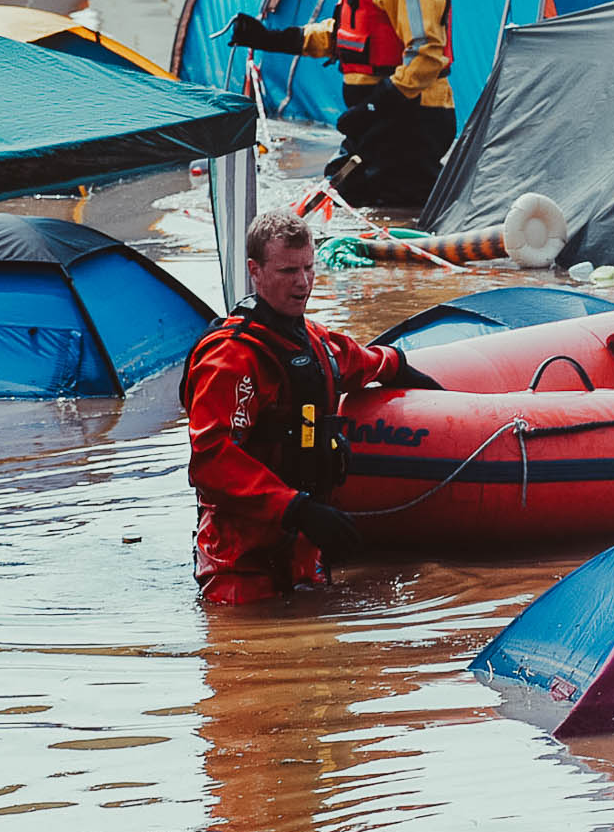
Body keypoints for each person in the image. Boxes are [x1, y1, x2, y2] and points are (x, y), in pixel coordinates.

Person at [181, 210, 439, 604]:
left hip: (305, 557)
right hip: (239, 566)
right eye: (287, 271)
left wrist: (438, 390)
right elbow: (212, 459)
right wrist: (296, 509)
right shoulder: (231, 358)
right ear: (256, 270)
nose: (302, 283)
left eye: (308, 268)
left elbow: (373, 362)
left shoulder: (317, 343)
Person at [228, 0, 455, 207]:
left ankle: (428, 250)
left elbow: (426, 55)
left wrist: (373, 107)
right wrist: (268, 39)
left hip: (412, 120)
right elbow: (340, 35)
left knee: (397, 204)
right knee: (340, 193)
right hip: (376, 120)